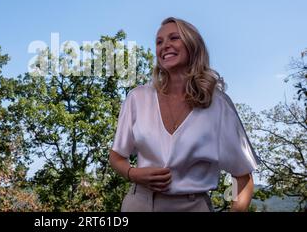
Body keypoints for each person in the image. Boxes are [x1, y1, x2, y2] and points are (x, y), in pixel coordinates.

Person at [109, 17, 260, 212]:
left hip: (193, 206)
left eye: (174, 38)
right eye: (159, 41)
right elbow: (116, 156)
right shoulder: (137, 98)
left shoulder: (218, 105)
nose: (165, 46)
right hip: (139, 204)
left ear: (193, 46)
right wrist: (132, 173)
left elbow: (243, 177)